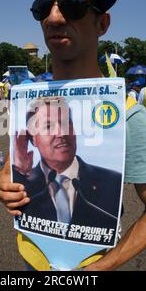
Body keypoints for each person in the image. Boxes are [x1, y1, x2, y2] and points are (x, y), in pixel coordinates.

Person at [0, 0, 146, 271]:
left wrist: (99, 269)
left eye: (72, 5)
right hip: (31, 263)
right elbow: (17, 161)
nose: (54, 17)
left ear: (102, 23)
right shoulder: (29, 98)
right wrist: (6, 179)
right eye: (43, 8)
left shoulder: (128, 113)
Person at [13, 97, 121, 232]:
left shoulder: (112, 181)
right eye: (49, 126)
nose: (61, 132)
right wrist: (20, 174)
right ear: (32, 138)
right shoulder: (23, 182)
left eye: (66, 123)